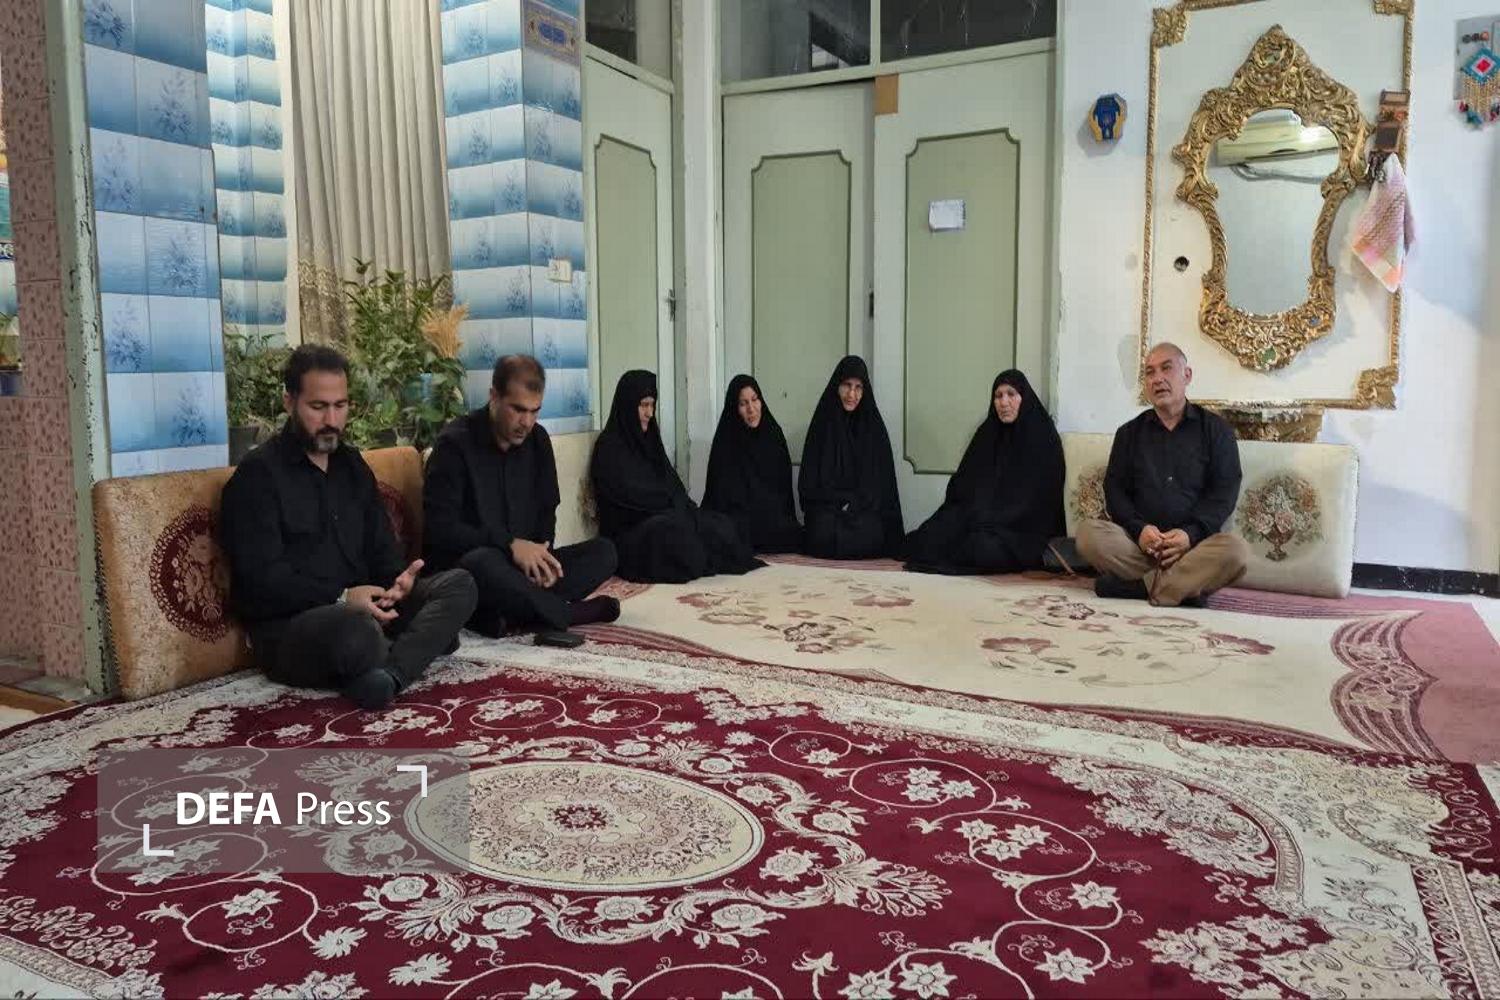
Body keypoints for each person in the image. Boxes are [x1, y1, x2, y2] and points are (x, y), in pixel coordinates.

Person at [220, 345, 477, 709]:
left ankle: (389, 674)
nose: (331, 420)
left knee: (459, 585)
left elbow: (381, 549)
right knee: (357, 632)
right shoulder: (258, 476)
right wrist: (342, 597)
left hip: (367, 606)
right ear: (289, 402)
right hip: (296, 625)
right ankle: (408, 651)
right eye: (318, 407)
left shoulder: (351, 465)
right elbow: (262, 583)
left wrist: (398, 585)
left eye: (340, 406)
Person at [423, 354, 621, 640]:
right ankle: (567, 614)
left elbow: (547, 510)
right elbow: (442, 531)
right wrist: (510, 545)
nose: (526, 422)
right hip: (474, 568)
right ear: (494, 396)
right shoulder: (454, 444)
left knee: (604, 552)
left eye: (534, 411)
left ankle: (509, 615)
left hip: (521, 572)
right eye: (517, 409)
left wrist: (542, 557)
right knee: (482, 564)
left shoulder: (538, 441)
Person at [1078, 342, 1249, 607]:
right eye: (1150, 372)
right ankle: (1183, 588)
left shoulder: (1217, 431)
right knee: (1089, 534)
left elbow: (1223, 494)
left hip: (1194, 549)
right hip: (1140, 548)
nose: (1157, 379)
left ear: (1187, 375)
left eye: (1166, 368)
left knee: (1236, 551)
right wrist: (1139, 530)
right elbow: (1115, 491)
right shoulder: (1129, 434)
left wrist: (1189, 534)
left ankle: (1139, 587)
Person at [591, 370, 764, 583]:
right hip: (631, 531)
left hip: (665, 514)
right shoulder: (609, 448)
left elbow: (671, 484)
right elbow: (625, 498)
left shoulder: (649, 440)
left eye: (652, 405)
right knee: (674, 534)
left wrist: (684, 507)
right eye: (644, 405)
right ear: (628, 405)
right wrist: (668, 505)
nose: (650, 413)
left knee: (718, 524)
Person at [904, 369, 1064, 575]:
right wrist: (972, 514)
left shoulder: (1043, 437)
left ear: (1024, 397)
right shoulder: (987, 433)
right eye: (998, 396)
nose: (1004, 402)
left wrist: (993, 518)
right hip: (977, 518)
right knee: (929, 538)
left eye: (1011, 394)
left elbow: (1040, 500)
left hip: (1018, 530)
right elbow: (962, 485)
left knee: (981, 548)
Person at [799, 355, 903, 559]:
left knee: (872, 531)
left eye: (858, 388)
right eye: (847, 385)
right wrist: (839, 501)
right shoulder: (822, 426)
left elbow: (881, 486)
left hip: (861, 511)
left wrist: (855, 503)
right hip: (829, 511)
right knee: (820, 531)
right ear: (837, 386)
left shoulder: (873, 428)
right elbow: (808, 485)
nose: (852, 394)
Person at [702, 373, 802, 553]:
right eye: (743, 403)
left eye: (755, 400)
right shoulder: (726, 441)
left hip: (770, 517)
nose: (751, 409)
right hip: (738, 515)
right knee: (723, 532)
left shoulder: (773, 434)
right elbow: (720, 495)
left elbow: (783, 491)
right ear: (735, 408)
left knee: (791, 532)